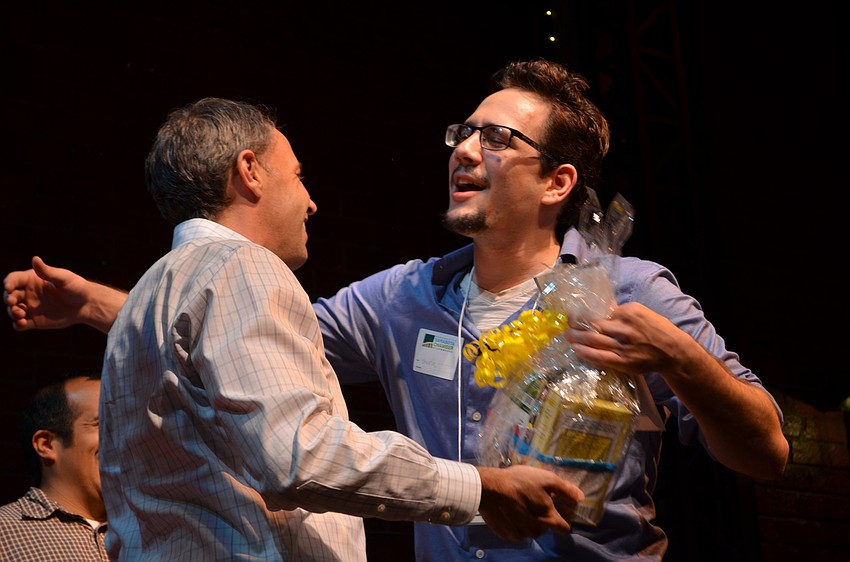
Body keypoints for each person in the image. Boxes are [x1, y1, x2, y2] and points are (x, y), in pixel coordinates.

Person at [3, 60, 789, 561]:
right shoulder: (404, 296)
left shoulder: (637, 290)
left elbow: (768, 451)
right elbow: (243, 342)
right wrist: (100, 303)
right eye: (463, 132)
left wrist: (679, 361)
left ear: (557, 182)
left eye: (498, 137)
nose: (465, 149)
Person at [3, 96, 582, 561]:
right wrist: (478, 488)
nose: (311, 201)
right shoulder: (243, 266)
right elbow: (296, 455)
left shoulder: (150, 295)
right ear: (249, 172)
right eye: (299, 176)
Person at [0, 370, 108, 562]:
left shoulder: (153, 531)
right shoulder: (5, 532)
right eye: (104, 424)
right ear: (47, 445)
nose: (125, 440)